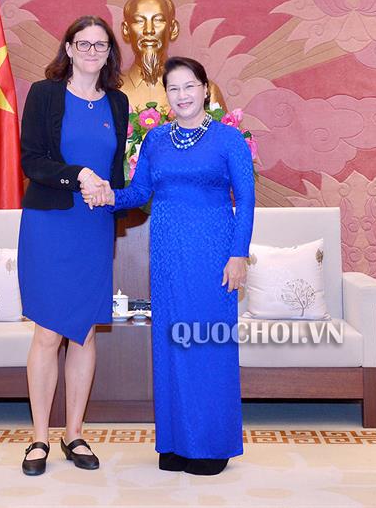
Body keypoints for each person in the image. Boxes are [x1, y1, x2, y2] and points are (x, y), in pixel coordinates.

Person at [84, 56, 255, 476]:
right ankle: (176, 442)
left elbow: (247, 200)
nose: (182, 95)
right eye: (174, 89)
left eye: (189, 86)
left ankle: (211, 445)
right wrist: (108, 195)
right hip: (166, 256)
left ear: (205, 89)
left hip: (213, 254)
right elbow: (140, 192)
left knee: (207, 345)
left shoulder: (228, 140)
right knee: (170, 345)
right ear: (167, 96)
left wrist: (239, 255)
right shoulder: (156, 140)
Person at [17, 16, 129, 476]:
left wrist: (114, 195)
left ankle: (74, 432)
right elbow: (32, 161)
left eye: (100, 45)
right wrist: (78, 175)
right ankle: (39, 437)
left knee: (84, 332)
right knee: (48, 332)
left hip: (94, 227)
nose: (91, 51)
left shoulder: (118, 102)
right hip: (50, 224)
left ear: (109, 53)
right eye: (83, 43)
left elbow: (116, 169)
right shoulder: (44, 94)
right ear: (68, 48)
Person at [120, 0, 225, 112]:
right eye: (139, 21)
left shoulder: (205, 92)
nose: (149, 30)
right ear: (126, 30)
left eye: (158, 20)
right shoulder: (109, 91)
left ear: (173, 29)